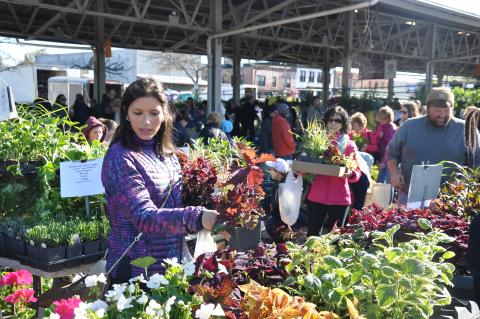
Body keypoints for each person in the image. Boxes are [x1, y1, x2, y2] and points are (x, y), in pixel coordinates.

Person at [101, 78, 223, 283]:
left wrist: (218, 205)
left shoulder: (167, 153)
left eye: (154, 113)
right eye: (138, 113)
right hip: (135, 272)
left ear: (165, 114)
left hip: (170, 267)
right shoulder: (119, 157)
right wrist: (199, 217)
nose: (146, 121)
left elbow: (177, 203)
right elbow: (144, 217)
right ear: (126, 114)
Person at [387, 87, 480, 205]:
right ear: (428, 108)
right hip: (409, 197)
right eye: (437, 110)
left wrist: (461, 183)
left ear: (452, 108)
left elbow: (477, 163)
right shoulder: (409, 127)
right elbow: (392, 152)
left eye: (446, 110)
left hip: (452, 200)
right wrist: (395, 173)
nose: (442, 115)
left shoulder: (466, 130)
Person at [306, 106, 361, 236]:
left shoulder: (349, 144)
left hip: (340, 198)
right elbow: (304, 164)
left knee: (335, 238)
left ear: (343, 123)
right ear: (325, 122)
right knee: (312, 236)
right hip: (316, 196)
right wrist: (302, 170)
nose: (333, 123)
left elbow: (357, 171)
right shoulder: (316, 141)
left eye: (337, 120)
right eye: (330, 120)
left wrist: (351, 174)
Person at [264, 158, 293, 243]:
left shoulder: (284, 187)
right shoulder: (279, 183)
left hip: (285, 219)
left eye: (271, 169)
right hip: (282, 216)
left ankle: (282, 242)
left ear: (278, 171)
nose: (269, 170)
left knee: (270, 224)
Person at [375, 106, 396, 183]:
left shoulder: (392, 129)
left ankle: (388, 194)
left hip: (390, 157)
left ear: (388, 119)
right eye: (379, 118)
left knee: (388, 181)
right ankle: (378, 195)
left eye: (383, 119)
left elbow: (390, 148)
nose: (380, 121)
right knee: (379, 180)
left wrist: (384, 161)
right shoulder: (381, 125)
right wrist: (379, 137)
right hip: (382, 155)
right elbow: (376, 140)